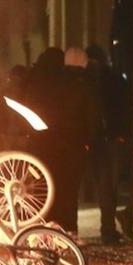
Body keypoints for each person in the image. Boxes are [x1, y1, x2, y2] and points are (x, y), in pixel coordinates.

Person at [25, 48, 98, 238]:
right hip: (74, 144)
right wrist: (89, 142)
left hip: (48, 143)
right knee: (70, 188)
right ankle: (69, 228)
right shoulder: (85, 84)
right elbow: (92, 116)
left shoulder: (50, 83)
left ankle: (48, 227)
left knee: (50, 185)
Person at [86, 45, 130, 243]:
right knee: (108, 186)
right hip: (109, 138)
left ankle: (108, 228)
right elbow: (126, 105)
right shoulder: (113, 79)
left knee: (104, 185)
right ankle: (108, 228)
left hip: (101, 139)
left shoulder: (88, 79)